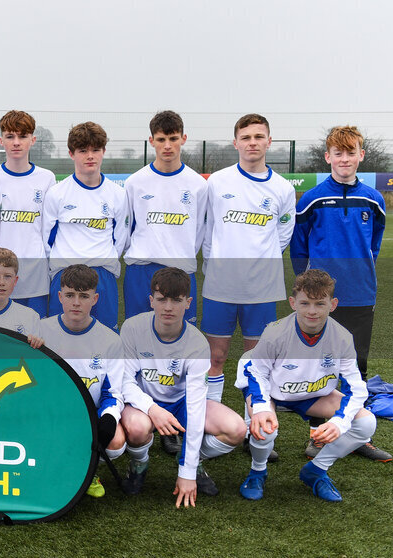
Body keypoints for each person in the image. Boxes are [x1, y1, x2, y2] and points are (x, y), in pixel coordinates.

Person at [290, 126, 391, 462]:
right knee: (319, 368)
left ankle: (355, 433)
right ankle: (319, 436)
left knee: (356, 365)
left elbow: (373, 245)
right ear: (328, 157)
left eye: (351, 152)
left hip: (361, 293)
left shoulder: (373, 199)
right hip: (320, 300)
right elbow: (299, 248)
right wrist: (310, 291)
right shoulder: (312, 198)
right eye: (339, 153)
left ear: (361, 155)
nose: (345, 159)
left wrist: (359, 273)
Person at [237, 270, 377, 502]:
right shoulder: (275, 332)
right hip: (271, 389)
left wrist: (340, 422)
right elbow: (256, 371)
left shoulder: (342, 337)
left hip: (313, 394)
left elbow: (356, 386)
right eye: (305, 303)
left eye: (320, 303)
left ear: (333, 304)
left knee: (366, 424)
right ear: (293, 303)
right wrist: (261, 408)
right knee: (263, 430)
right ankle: (257, 471)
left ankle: (316, 470)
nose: (312, 311)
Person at [119, 268, 246, 507]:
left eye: (176, 300)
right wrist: (152, 409)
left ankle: (192, 460)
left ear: (187, 303)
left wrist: (187, 470)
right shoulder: (133, 328)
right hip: (143, 402)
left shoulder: (197, 344)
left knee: (236, 430)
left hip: (181, 403)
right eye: (161, 299)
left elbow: (196, 405)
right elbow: (124, 381)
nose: (168, 307)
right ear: (151, 301)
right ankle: (140, 464)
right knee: (137, 429)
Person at [200, 113, 294, 403]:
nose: (252, 143)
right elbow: (208, 230)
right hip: (221, 285)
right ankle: (210, 419)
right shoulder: (217, 182)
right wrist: (216, 264)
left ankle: (255, 427)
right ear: (235, 142)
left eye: (258, 137)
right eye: (246, 137)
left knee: (257, 361)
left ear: (269, 141)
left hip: (262, 288)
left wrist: (259, 261)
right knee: (215, 356)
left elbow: (283, 233)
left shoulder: (283, 188)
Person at [37, 265, 126, 497]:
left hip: (89, 414)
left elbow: (113, 392)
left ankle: (90, 470)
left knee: (115, 441)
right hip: (51, 412)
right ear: (60, 297)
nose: (76, 302)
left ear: (95, 299)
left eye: (84, 296)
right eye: (70, 295)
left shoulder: (110, 340)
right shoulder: (40, 331)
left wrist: (108, 418)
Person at [42, 122, 129, 330]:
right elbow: (47, 239)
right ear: (72, 153)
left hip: (102, 277)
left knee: (104, 340)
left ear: (103, 151)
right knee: (59, 343)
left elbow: (121, 237)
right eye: (83, 150)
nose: (90, 156)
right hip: (65, 275)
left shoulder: (117, 194)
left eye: (95, 150)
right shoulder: (57, 193)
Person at [123, 110, 207, 324]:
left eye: (173, 139)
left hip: (181, 271)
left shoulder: (198, 184)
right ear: (152, 141)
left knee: (181, 340)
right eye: (161, 139)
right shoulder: (135, 182)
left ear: (183, 139)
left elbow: (199, 230)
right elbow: (127, 228)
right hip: (141, 271)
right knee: (138, 336)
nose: (167, 146)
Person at [0, 110, 56, 317]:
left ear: (32, 140)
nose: (16, 142)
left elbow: (47, 229)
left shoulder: (46, 178)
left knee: (35, 337)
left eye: (22, 136)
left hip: (36, 275)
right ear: (1, 141)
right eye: (10, 136)